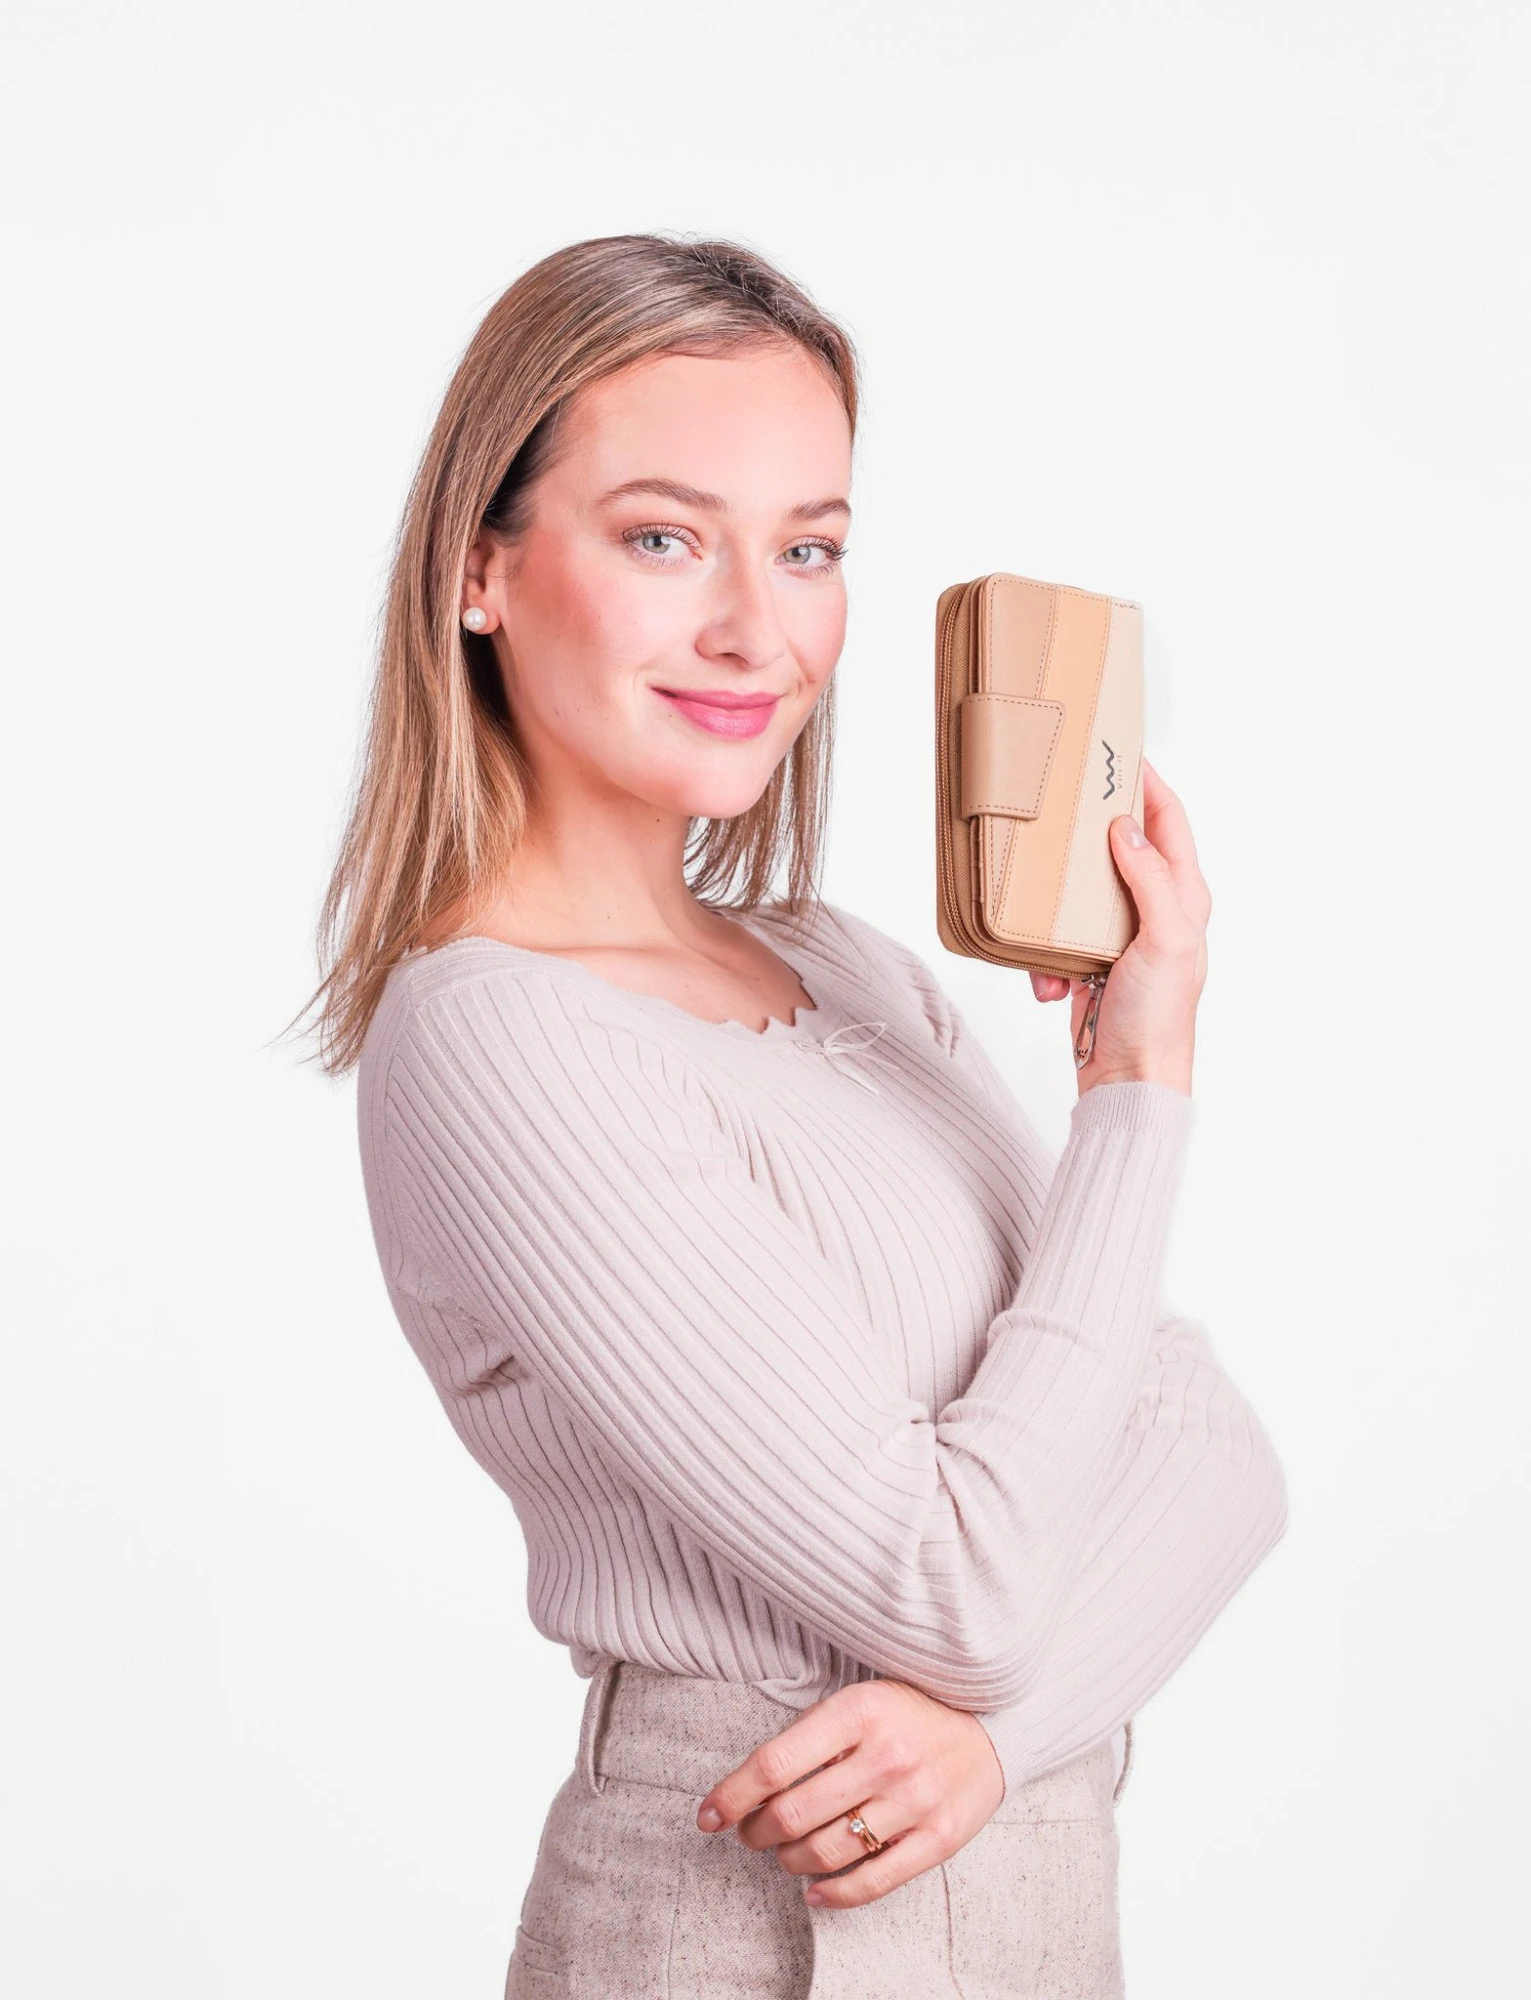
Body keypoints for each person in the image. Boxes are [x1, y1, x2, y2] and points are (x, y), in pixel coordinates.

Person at [304, 232, 1288, 1998]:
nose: (756, 630)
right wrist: (1132, 1093)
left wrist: (992, 1739)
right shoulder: (495, 1040)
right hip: (732, 1927)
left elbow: (1216, 1455)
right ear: (479, 569)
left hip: (1031, 1919)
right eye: (662, 537)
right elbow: (956, 1587)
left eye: (810, 547)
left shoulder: (844, 967)